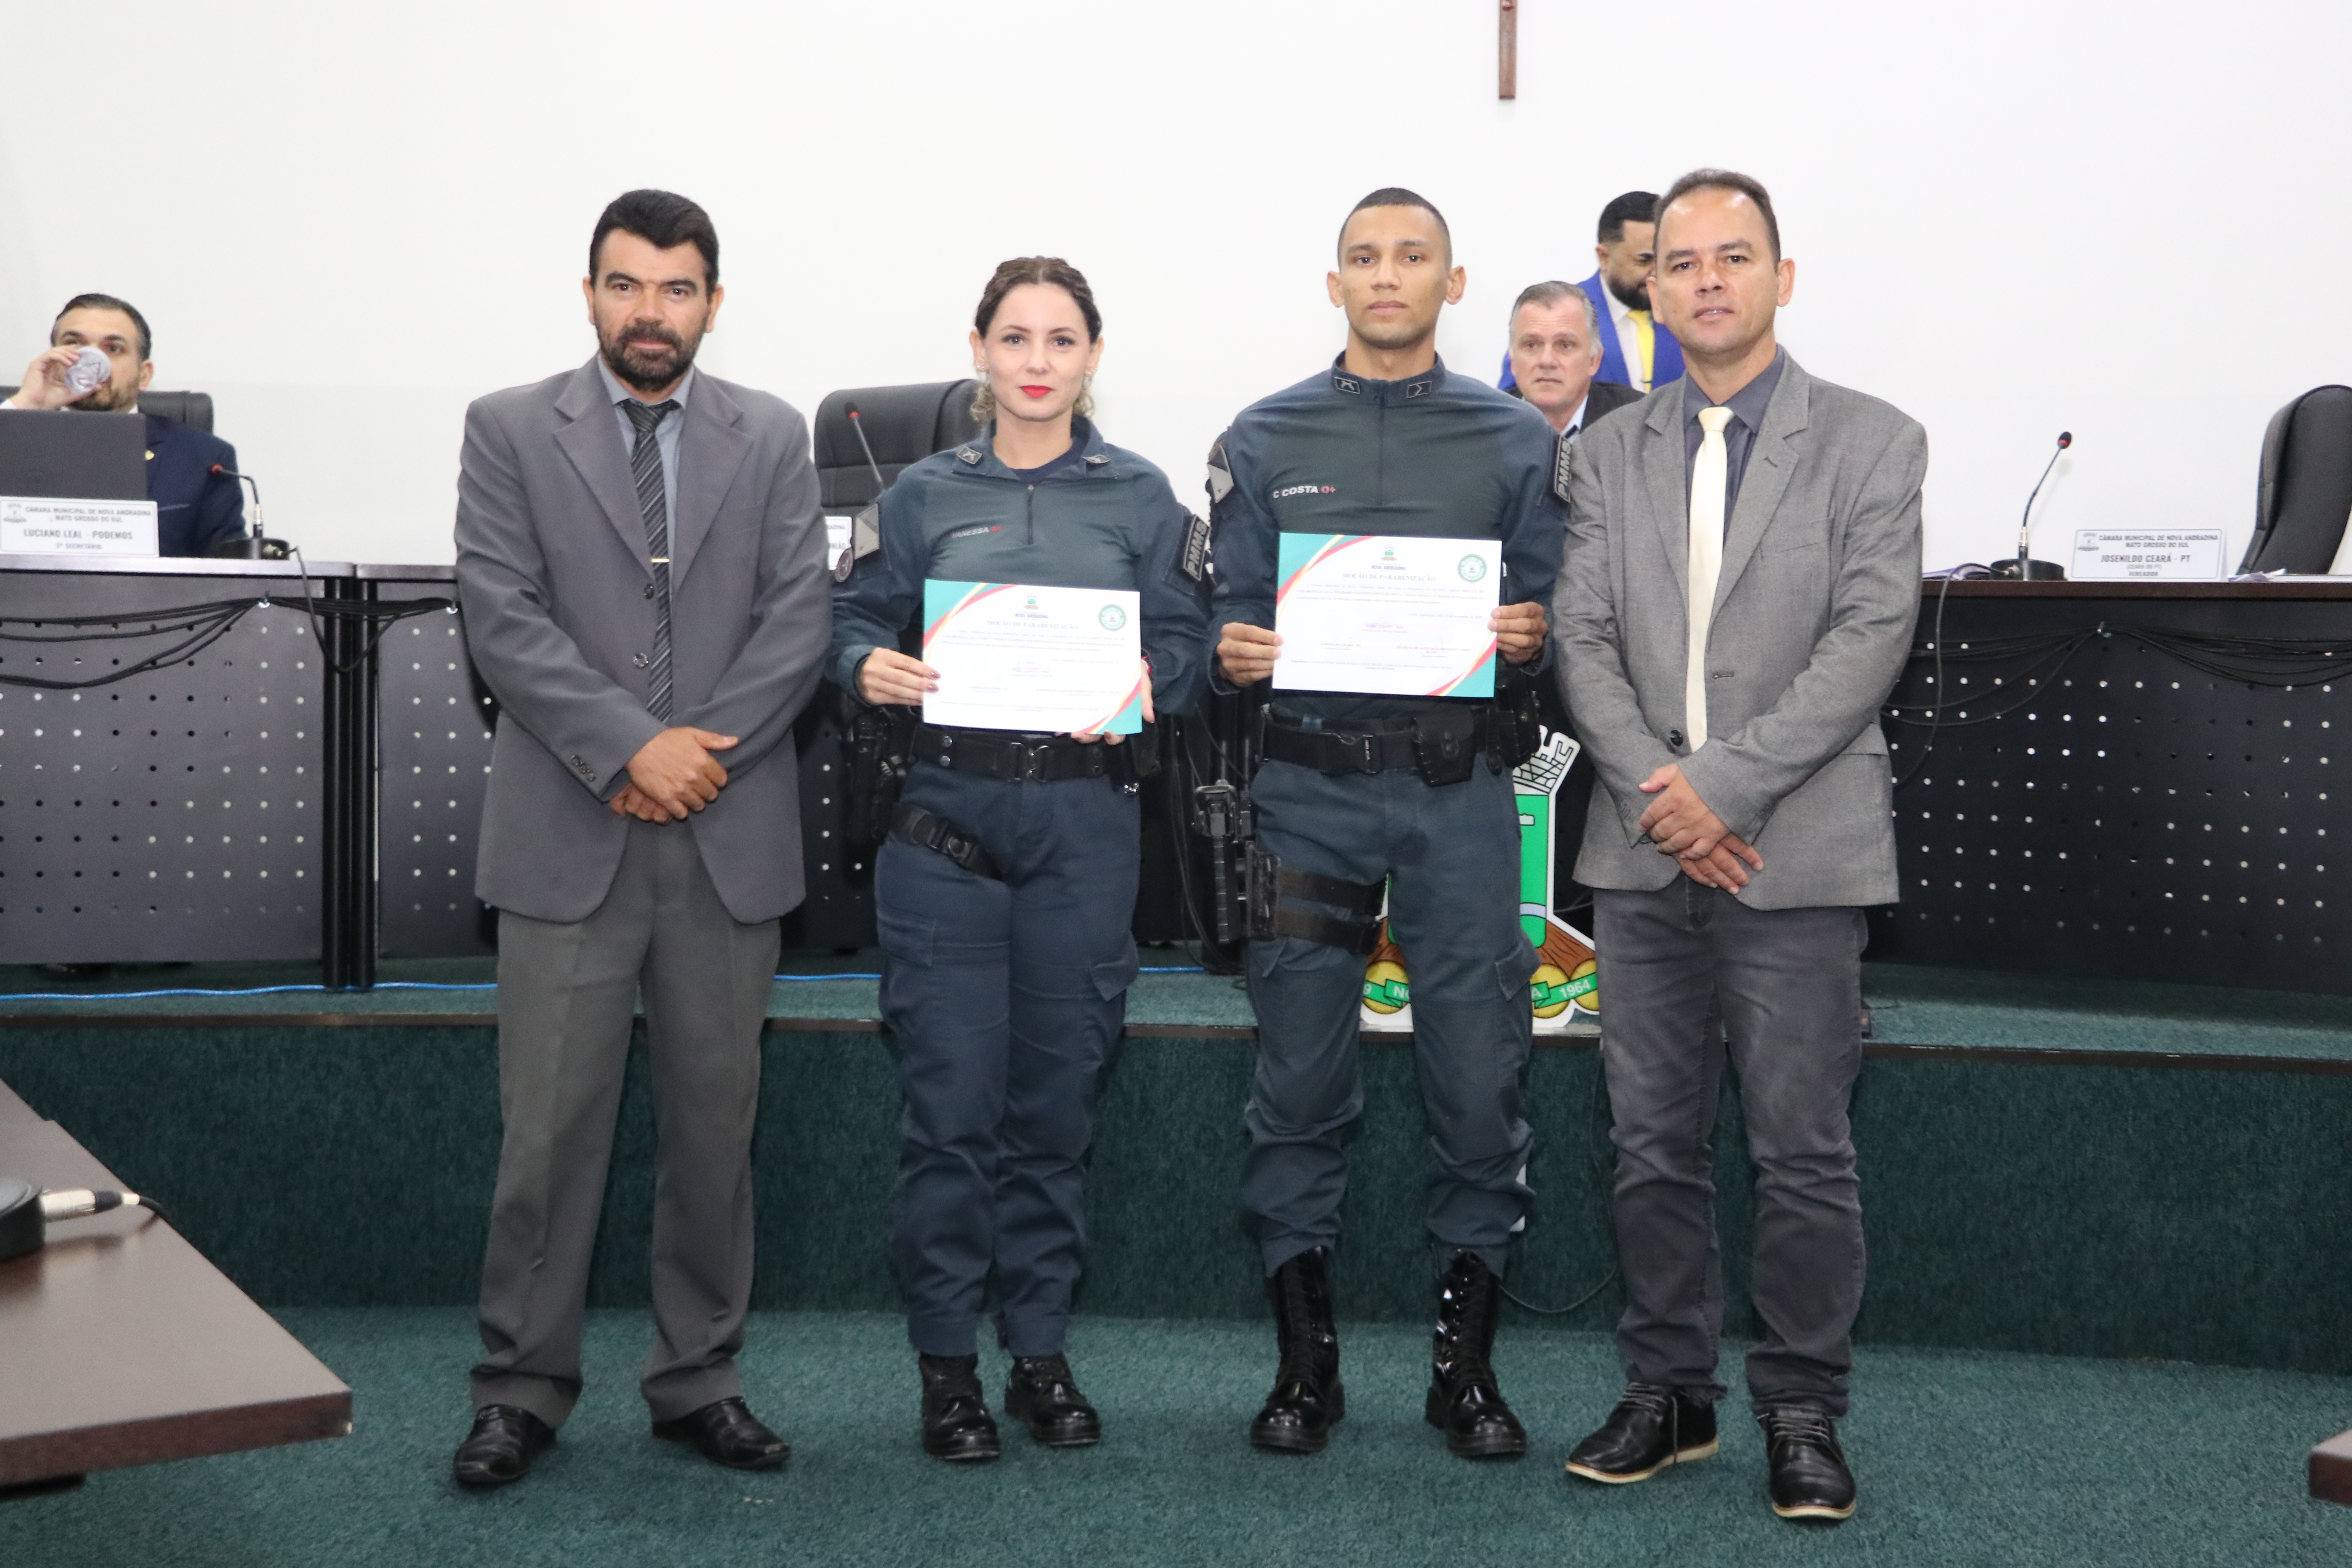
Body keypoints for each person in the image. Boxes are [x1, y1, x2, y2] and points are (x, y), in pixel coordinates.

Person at [1552, 169, 1925, 1522]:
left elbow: (1869, 643)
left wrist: (1728, 791)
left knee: (1800, 1146)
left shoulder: (1875, 442)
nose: (1706, 279)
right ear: (1646, 284)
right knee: (1648, 1143)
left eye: (1735, 256)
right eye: (1681, 260)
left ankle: (1804, 1409)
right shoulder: (1602, 453)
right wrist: (1665, 792)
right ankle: (1671, 1392)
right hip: (1647, 851)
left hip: (1798, 848)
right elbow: (1582, 643)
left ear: (1783, 275)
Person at [448, 189, 829, 1487]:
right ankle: (521, 1386)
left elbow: (799, 621)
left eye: (676, 289)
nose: (648, 311)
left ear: (712, 303)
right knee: (549, 1133)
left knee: (714, 1132)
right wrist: (629, 747)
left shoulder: (774, 436)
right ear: (590, 292)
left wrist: (692, 755)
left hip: (725, 829)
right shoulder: (509, 428)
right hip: (570, 825)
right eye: (625, 285)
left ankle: (698, 1377)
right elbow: (500, 616)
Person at [830, 256, 1208, 1463]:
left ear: (1094, 355)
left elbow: (1190, 650)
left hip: (1085, 833)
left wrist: (1160, 683)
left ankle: (1038, 1351)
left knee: (1052, 1113)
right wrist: (863, 667)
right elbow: (845, 620)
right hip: (942, 838)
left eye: (1060, 339)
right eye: (1014, 337)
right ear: (980, 351)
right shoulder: (921, 494)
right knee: (948, 1114)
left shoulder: (1143, 499)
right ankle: (946, 1369)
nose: (1036, 360)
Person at [1209, 188, 1561, 1461]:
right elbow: (1221, 621)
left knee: (1480, 1078)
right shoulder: (1264, 432)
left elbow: (1561, 617)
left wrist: (1534, 640)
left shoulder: (1518, 440)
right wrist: (1231, 648)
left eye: (1414, 257)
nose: (1389, 275)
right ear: (1335, 281)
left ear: (1453, 284)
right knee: (1297, 1082)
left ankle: (1463, 1375)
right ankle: (1307, 1369)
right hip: (1304, 798)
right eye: (1366, 257)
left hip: (1462, 804)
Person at [7, 294, 247, 555]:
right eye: (75, 345)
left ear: (144, 375)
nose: (92, 361)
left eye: (113, 349)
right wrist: (24, 403)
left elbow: (231, 574)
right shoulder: (13, 440)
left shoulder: (205, 459)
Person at [1499, 192, 1684, 397]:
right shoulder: (1562, 316)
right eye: (1644, 261)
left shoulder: (1688, 312)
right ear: (1603, 257)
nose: (1657, 272)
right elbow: (1513, 407)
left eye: (1666, 260)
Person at [1506, 281, 1643, 439]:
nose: (1547, 361)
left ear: (1594, 361)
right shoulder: (1485, 424)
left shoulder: (1637, 422)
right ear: (1513, 360)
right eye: (1532, 345)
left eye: (1565, 345)